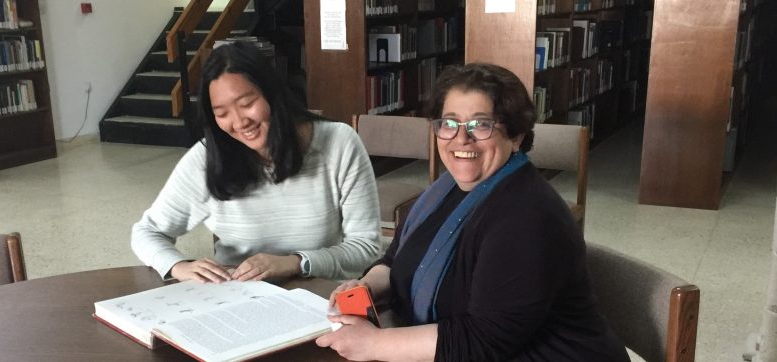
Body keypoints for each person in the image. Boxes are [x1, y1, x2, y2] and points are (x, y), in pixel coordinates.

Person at [316, 63, 629, 361]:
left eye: (481, 124)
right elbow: (395, 260)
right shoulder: (445, 190)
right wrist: (368, 286)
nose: (460, 138)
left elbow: (484, 339)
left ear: (516, 135)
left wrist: (375, 344)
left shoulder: (527, 217)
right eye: (448, 123)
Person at [131, 42, 381, 283]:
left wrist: (296, 262)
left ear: (272, 94)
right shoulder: (207, 158)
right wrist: (178, 267)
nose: (239, 123)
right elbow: (146, 232)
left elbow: (365, 247)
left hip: (320, 296)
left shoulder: (338, 142)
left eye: (247, 104)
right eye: (222, 114)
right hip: (237, 297)